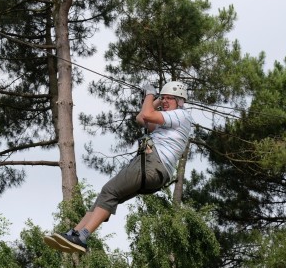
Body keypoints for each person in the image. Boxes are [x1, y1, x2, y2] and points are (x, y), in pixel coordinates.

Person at [43, 81, 193, 253]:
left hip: (152, 164)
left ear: (180, 101)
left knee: (109, 191)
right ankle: (75, 233)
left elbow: (147, 113)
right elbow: (141, 118)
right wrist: (158, 98)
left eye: (170, 99)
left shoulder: (180, 115)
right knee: (105, 197)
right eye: (164, 98)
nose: (165, 102)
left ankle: (83, 237)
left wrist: (150, 95)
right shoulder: (168, 121)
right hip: (156, 173)